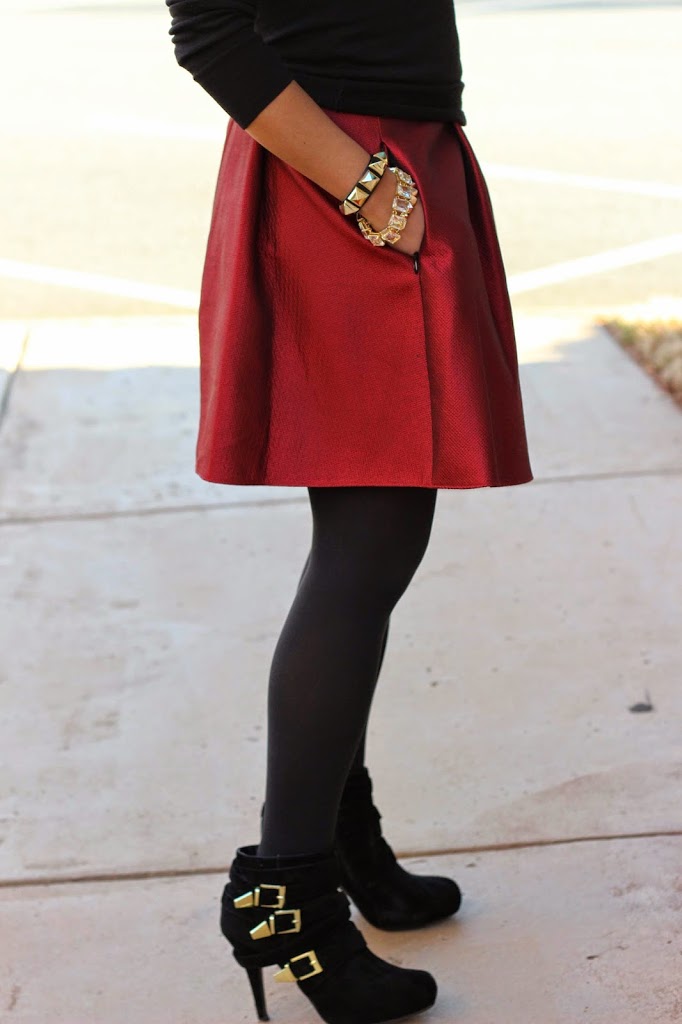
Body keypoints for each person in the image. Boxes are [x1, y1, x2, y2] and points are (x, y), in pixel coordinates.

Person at [164, 3, 534, 1021]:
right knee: (370, 545)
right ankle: (288, 893)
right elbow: (207, 27)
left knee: (369, 542)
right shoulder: (362, 181)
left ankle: (336, 838)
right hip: (343, 166)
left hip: (377, 155)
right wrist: (368, 187)